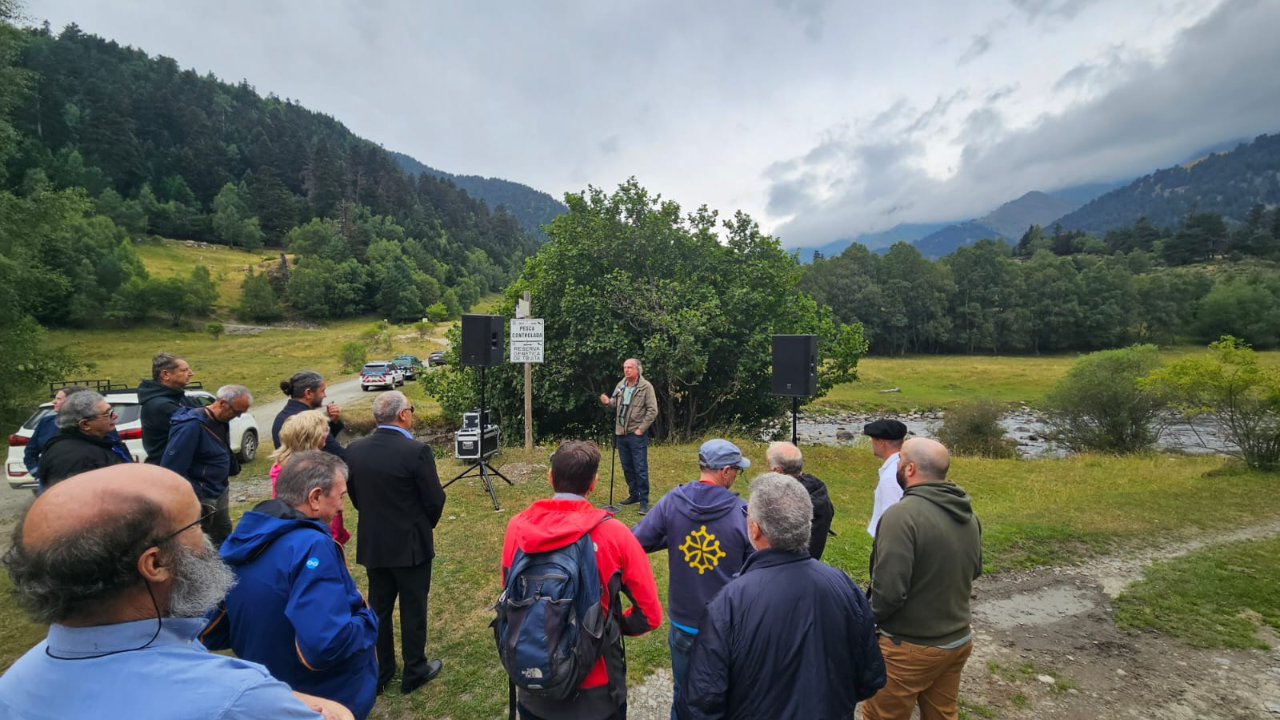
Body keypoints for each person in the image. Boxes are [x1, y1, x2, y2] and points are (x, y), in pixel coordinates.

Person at [0, 464, 353, 720]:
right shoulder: (237, 700)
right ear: (154, 564)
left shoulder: (13, 685)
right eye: (196, 525)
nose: (210, 540)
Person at [676, 473, 885, 719]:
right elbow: (869, 678)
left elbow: (700, 704)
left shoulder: (728, 603)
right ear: (807, 525)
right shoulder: (844, 586)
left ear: (754, 529)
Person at [203, 452, 379, 720]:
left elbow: (212, 631)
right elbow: (327, 644)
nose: (343, 507)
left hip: (268, 694)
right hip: (322, 699)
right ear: (316, 497)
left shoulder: (244, 538)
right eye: (340, 496)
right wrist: (367, 618)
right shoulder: (311, 546)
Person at [502, 440, 662, 720]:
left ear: (550, 477)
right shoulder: (615, 533)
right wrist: (611, 627)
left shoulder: (517, 527)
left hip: (533, 679)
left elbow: (510, 592)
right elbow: (650, 614)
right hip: (598, 691)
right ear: (594, 483)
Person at [861, 438, 983, 720]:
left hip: (909, 646)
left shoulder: (901, 517)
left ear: (911, 469)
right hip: (958, 640)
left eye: (900, 461)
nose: (898, 466)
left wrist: (867, 622)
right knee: (942, 714)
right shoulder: (968, 513)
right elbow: (974, 569)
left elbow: (889, 592)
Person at [632, 439, 752, 720]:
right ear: (724, 471)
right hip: (728, 625)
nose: (736, 475)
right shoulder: (742, 512)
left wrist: (673, 535)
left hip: (684, 621)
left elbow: (636, 540)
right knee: (727, 697)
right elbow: (757, 569)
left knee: (682, 694)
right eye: (736, 470)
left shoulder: (673, 501)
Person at [345, 391, 446, 695]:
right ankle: (414, 669)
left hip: (375, 542)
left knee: (379, 608)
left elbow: (356, 498)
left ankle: (382, 670)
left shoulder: (354, 450)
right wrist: (422, 524)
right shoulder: (416, 451)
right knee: (413, 608)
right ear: (403, 414)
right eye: (411, 410)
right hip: (410, 544)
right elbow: (434, 499)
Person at [161, 384, 252, 548]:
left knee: (223, 534)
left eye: (241, 413)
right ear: (222, 403)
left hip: (219, 490)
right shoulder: (191, 426)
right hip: (203, 498)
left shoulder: (221, 421)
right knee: (204, 544)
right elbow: (172, 469)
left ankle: (227, 568)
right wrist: (195, 494)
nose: (237, 417)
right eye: (236, 412)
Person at [270, 411, 349, 544]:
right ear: (313, 437)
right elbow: (327, 509)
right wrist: (335, 538)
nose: (327, 434)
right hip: (320, 536)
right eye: (324, 430)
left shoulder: (280, 465)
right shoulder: (315, 471)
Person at [35, 390, 134, 488]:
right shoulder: (74, 459)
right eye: (108, 413)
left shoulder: (104, 441)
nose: (115, 416)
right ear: (85, 424)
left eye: (112, 411)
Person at [597, 358, 658, 514]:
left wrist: (641, 429)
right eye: (625, 367)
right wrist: (606, 402)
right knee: (627, 467)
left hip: (635, 434)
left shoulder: (646, 387)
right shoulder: (621, 385)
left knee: (640, 468)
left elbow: (652, 411)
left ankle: (644, 501)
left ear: (638, 369)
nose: (627, 370)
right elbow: (613, 405)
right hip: (621, 433)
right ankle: (634, 495)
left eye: (630, 367)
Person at [765, 441, 835, 560]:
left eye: (768, 465)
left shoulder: (783, 502)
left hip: (783, 564)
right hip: (810, 561)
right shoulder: (818, 490)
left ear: (777, 471)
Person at [23, 385, 93, 483]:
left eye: (59, 399)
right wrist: (37, 472)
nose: (53, 402)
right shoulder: (46, 422)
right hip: (50, 482)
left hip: (84, 482)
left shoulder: (92, 424)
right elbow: (30, 452)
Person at [139, 352, 199, 464]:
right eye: (184, 370)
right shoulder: (161, 405)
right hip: (170, 467)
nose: (191, 373)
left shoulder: (177, 397)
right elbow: (199, 426)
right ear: (165, 374)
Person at [274, 370, 346, 459]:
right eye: (322, 391)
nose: (325, 395)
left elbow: (322, 444)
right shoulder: (310, 421)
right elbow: (339, 455)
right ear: (308, 393)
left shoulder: (281, 417)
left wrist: (333, 422)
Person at [864, 418, 908, 538]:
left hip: (888, 541)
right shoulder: (903, 464)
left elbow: (892, 519)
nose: (872, 444)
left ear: (881, 442)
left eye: (873, 440)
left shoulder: (890, 477)